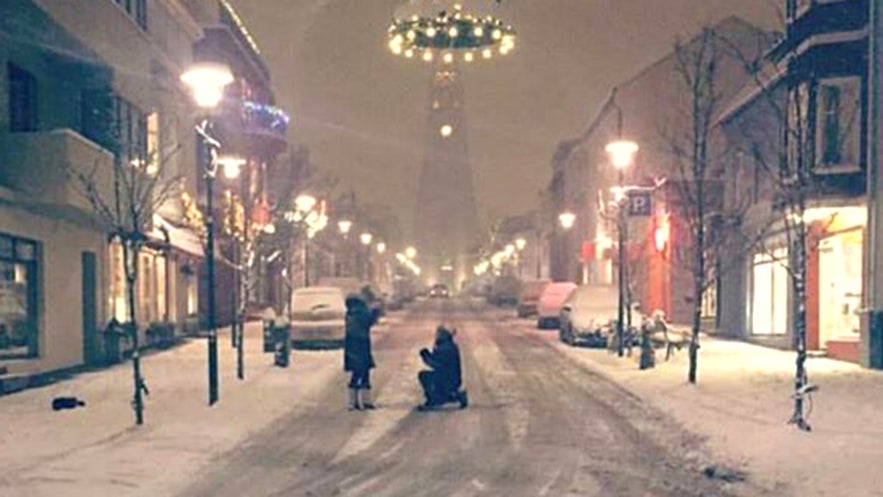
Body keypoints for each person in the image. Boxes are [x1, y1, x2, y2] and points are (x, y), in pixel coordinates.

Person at [418, 326, 468, 410]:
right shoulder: (447, 345)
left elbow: (437, 364)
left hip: (447, 378)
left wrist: (426, 356)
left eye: (439, 334)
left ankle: (434, 399)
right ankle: (456, 396)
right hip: (451, 377)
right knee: (435, 382)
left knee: (424, 376)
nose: (437, 335)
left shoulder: (445, 347)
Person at [344, 295, 377, 410]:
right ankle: (363, 400)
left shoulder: (350, 314)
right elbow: (369, 322)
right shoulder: (360, 313)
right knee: (363, 374)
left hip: (352, 347)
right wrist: (375, 311)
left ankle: (354, 401)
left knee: (357, 374)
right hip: (361, 346)